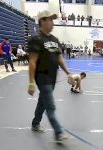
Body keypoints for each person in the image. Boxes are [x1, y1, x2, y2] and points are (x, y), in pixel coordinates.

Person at [27, 10, 72, 142]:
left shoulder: (55, 40)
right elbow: (32, 61)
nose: (52, 23)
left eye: (53, 20)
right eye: (50, 20)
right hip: (42, 77)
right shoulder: (36, 39)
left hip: (53, 77)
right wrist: (31, 82)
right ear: (42, 21)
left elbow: (59, 59)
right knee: (50, 106)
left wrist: (68, 72)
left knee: (42, 102)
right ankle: (58, 133)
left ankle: (35, 123)